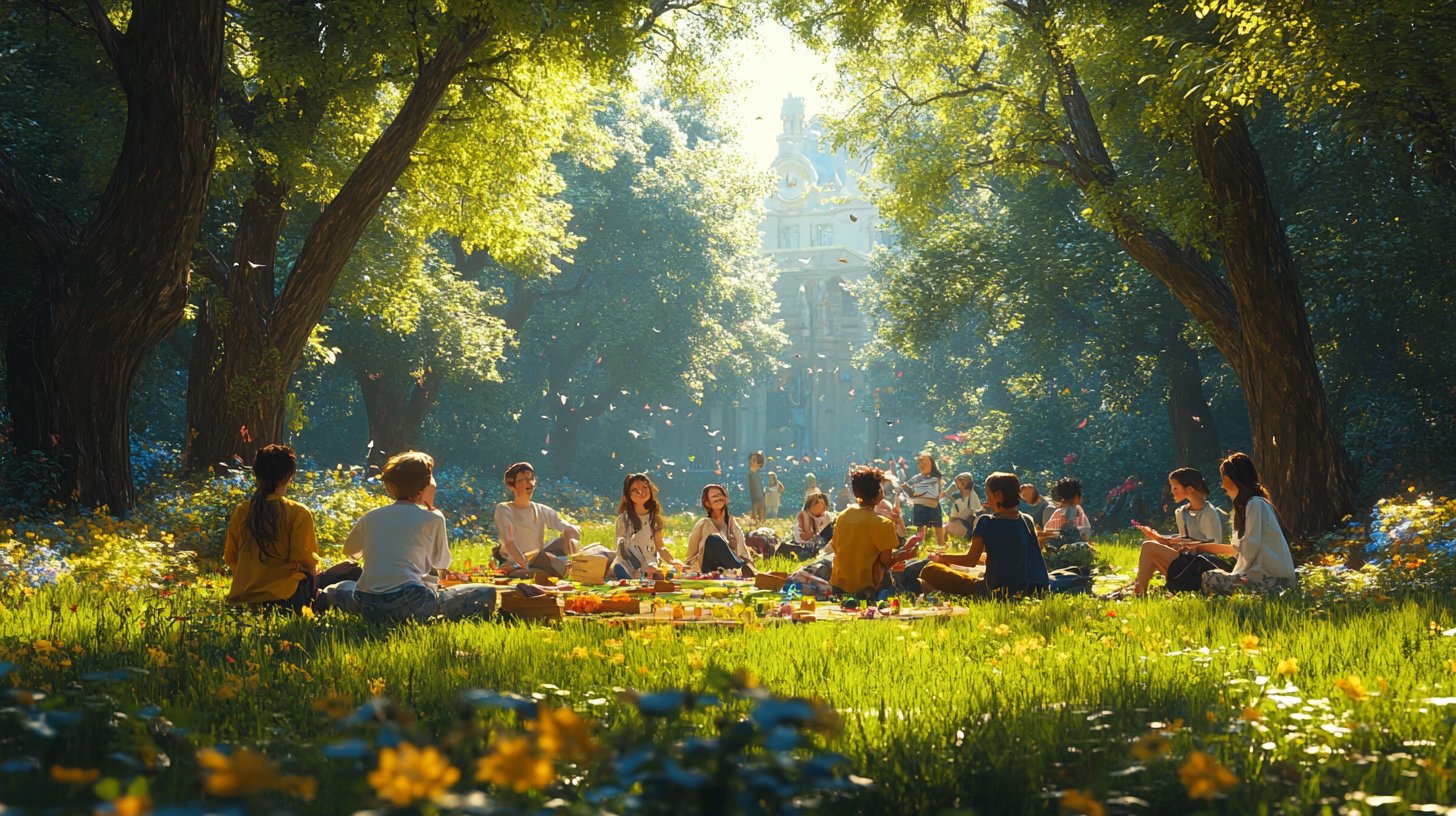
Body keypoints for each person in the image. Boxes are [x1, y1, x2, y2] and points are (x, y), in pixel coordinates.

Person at [323, 452, 496, 621]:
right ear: (426, 485)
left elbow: (350, 550)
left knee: (342, 588)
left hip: (365, 600)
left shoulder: (371, 516)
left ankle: (325, 598)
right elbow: (441, 563)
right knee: (485, 592)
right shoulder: (433, 518)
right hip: (410, 599)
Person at [224, 445, 360, 612]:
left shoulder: (241, 511)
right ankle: (323, 598)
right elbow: (306, 562)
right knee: (352, 570)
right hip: (286, 598)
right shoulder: (298, 513)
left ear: (256, 474)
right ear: (289, 476)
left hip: (243, 596)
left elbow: (231, 558)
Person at [920, 472, 1050, 598]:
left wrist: (941, 558)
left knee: (930, 569)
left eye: (988, 494)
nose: (987, 499)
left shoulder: (986, 522)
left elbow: (970, 560)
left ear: (998, 495)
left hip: (994, 590)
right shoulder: (1027, 519)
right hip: (1033, 588)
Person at [1201, 453, 1298, 595]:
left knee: (1211, 577)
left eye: (1223, 478)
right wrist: (1199, 547)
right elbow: (1239, 548)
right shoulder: (1247, 506)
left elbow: (1251, 547)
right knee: (1209, 575)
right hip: (1260, 575)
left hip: (1275, 580)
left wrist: (1238, 574)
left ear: (1235, 478)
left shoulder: (1255, 504)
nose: (1222, 485)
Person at [1130, 467, 1229, 596]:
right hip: (1188, 562)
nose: (1172, 492)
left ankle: (1139, 593)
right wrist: (1161, 539)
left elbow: (1216, 548)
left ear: (1189, 489)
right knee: (1150, 544)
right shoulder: (1181, 512)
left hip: (1203, 566)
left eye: (1175, 488)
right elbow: (1184, 542)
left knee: (1149, 547)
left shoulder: (1210, 513)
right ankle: (1139, 591)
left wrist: (1164, 541)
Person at [828, 466, 917, 599]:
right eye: (881, 487)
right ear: (878, 493)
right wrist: (902, 556)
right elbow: (886, 563)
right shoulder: (883, 523)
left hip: (838, 585)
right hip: (866, 589)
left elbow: (837, 547)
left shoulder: (843, 516)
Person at [492, 461, 581, 578]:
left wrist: (571, 533)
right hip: (515, 564)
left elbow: (566, 526)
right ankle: (552, 571)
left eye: (531, 479)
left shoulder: (542, 510)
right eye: (521, 480)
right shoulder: (504, 509)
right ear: (511, 485)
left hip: (537, 561)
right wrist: (525, 565)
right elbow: (510, 542)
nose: (528, 483)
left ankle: (562, 569)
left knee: (560, 545)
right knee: (534, 573)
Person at [612, 473, 683, 580]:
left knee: (666, 574)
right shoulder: (624, 519)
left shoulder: (654, 518)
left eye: (644, 487)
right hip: (628, 562)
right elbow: (622, 548)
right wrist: (636, 567)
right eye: (634, 490)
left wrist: (673, 561)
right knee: (621, 568)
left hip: (650, 562)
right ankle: (629, 577)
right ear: (628, 495)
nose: (640, 492)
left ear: (650, 490)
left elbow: (660, 546)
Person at [684, 484, 756, 577]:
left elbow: (742, 549)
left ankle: (741, 569)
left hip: (729, 567)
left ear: (726, 498)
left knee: (734, 556)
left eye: (720, 495)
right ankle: (740, 568)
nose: (718, 498)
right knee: (714, 539)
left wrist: (733, 549)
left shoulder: (732, 523)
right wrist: (688, 570)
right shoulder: (703, 523)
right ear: (707, 503)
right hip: (708, 568)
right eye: (714, 496)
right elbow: (690, 555)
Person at [1042, 477, 1094, 569]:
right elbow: (1085, 532)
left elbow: (1048, 532)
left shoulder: (1058, 512)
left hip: (1057, 551)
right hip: (1072, 551)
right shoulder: (1077, 510)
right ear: (1077, 496)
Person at [901, 452, 947, 550]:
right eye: (920, 464)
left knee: (938, 527)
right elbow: (912, 494)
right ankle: (920, 548)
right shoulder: (916, 478)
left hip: (933, 507)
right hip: (920, 507)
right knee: (921, 530)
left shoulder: (936, 478)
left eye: (925, 464)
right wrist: (905, 488)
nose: (921, 466)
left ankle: (941, 546)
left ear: (932, 465)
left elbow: (936, 491)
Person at [786, 490, 835, 558]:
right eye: (817, 504)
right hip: (808, 546)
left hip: (822, 544)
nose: (822, 507)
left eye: (823, 504)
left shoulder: (828, 516)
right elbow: (801, 538)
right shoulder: (804, 516)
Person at [945, 472, 984, 540]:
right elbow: (944, 497)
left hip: (967, 528)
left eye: (957, 483)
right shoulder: (959, 497)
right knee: (945, 526)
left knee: (947, 526)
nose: (955, 485)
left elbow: (978, 513)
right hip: (958, 525)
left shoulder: (972, 496)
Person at [747, 451, 767, 523]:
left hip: (758, 504)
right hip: (752, 503)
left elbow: (759, 493)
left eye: (754, 460)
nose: (751, 462)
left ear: (759, 464)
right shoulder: (750, 475)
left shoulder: (757, 476)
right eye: (751, 459)